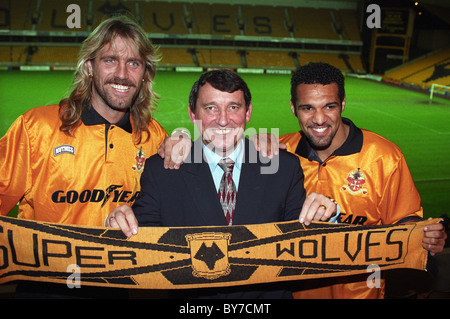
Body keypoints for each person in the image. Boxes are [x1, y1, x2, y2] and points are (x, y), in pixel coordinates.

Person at [0, 16, 189, 298]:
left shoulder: (152, 137)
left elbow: (179, 212)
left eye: (134, 63)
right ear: (89, 67)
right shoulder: (36, 127)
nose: (123, 74)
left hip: (119, 287)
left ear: (144, 73)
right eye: (110, 60)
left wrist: (183, 134)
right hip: (45, 286)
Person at [108, 69, 338, 298]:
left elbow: (304, 245)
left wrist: (325, 215)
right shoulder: (162, 171)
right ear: (192, 114)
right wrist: (119, 228)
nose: (223, 119)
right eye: (211, 108)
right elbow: (143, 248)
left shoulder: (284, 167)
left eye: (233, 107)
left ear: (247, 112)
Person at [275, 62, 446, 299]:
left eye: (329, 106)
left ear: (343, 103)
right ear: (293, 108)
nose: (319, 119)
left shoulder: (384, 156)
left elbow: (404, 223)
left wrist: (424, 237)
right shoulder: (278, 154)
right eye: (307, 108)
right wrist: (248, 156)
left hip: (363, 294)